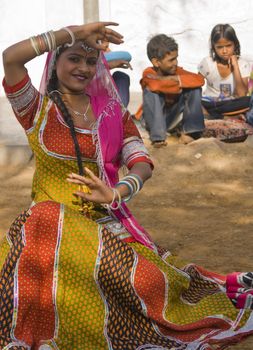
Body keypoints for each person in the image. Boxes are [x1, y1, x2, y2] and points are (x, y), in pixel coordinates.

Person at [0, 21, 253, 350]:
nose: (83, 68)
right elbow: (11, 58)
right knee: (45, 216)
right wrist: (73, 32)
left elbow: (141, 162)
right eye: (74, 58)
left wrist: (118, 192)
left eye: (91, 62)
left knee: (151, 285)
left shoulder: (112, 114)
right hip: (50, 231)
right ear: (56, 61)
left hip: (104, 227)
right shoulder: (36, 111)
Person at [140, 34, 205, 147]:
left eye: (176, 58)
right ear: (156, 62)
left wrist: (174, 79)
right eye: (171, 60)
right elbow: (155, 86)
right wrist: (179, 85)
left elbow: (199, 80)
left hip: (171, 119)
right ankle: (158, 138)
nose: (175, 63)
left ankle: (192, 132)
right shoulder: (148, 73)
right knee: (150, 91)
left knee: (194, 88)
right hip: (153, 121)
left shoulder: (176, 71)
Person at [198, 23, 251, 119]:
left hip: (231, 105)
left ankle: (217, 116)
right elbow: (196, 87)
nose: (225, 51)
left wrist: (235, 65)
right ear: (214, 47)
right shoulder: (207, 63)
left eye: (228, 45)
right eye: (219, 47)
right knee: (189, 98)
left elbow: (241, 95)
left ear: (235, 44)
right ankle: (224, 116)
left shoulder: (243, 64)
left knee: (249, 100)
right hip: (210, 103)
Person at [102, 39, 132, 108]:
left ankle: (120, 111)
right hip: (95, 103)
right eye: (106, 48)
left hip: (110, 102)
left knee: (121, 76)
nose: (109, 51)